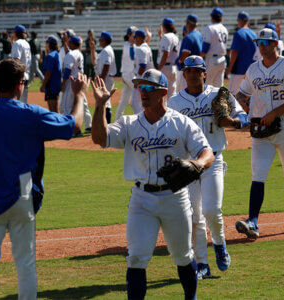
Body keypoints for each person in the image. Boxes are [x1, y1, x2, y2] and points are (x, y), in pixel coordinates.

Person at [0, 59, 87, 299]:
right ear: (20, 85)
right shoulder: (30, 113)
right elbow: (75, 125)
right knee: (25, 264)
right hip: (22, 195)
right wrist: (80, 96)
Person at [91, 69, 214, 300]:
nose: (142, 92)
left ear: (163, 92)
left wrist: (197, 165)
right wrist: (99, 106)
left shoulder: (181, 123)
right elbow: (100, 138)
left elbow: (207, 152)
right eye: (140, 87)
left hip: (175, 198)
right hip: (142, 200)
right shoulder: (129, 123)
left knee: (183, 256)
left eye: (148, 88)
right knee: (136, 257)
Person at [168, 55, 248, 279]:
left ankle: (220, 243)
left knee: (211, 210)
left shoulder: (218, 94)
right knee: (194, 216)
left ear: (205, 73)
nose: (192, 74)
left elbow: (244, 115)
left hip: (214, 159)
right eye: (188, 71)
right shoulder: (174, 103)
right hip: (190, 164)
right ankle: (202, 263)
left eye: (197, 71)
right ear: (184, 74)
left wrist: (233, 122)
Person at [234, 28, 284, 239]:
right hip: (261, 132)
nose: (262, 45)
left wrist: (274, 112)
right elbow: (242, 94)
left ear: (276, 43)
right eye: (259, 42)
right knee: (258, 175)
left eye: (265, 42)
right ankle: (253, 222)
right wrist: (246, 109)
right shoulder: (254, 69)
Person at [61, 35, 93, 133]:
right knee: (83, 104)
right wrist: (65, 42)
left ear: (73, 44)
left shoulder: (71, 54)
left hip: (72, 81)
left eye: (70, 42)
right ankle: (89, 126)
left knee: (66, 106)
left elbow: (67, 71)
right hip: (80, 81)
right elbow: (68, 53)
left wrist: (63, 84)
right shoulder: (79, 53)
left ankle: (74, 129)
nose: (68, 44)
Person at [226, 11, 257, 96]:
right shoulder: (254, 34)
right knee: (247, 95)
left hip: (239, 70)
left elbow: (235, 52)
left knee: (231, 95)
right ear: (248, 21)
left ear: (239, 20)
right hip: (251, 69)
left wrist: (229, 67)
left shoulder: (238, 33)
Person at [90, 31, 117, 123]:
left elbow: (106, 65)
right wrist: (92, 48)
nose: (99, 41)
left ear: (104, 40)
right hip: (105, 78)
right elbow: (94, 62)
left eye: (101, 39)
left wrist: (101, 80)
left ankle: (107, 124)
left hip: (105, 79)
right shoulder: (105, 50)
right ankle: (105, 123)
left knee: (105, 102)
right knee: (102, 102)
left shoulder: (106, 50)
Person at [200, 8, 228, 88]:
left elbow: (206, 46)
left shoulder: (210, 28)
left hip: (212, 59)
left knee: (205, 85)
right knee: (219, 87)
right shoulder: (224, 28)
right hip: (222, 59)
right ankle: (219, 101)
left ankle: (205, 101)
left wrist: (199, 57)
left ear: (212, 17)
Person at [115, 26, 137, 121]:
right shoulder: (128, 46)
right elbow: (132, 57)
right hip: (128, 75)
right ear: (129, 36)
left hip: (127, 74)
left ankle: (117, 120)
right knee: (137, 95)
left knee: (124, 100)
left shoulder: (131, 45)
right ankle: (139, 117)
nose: (135, 37)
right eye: (133, 35)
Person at [131, 29, 154, 114]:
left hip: (142, 78)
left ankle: (140, 122)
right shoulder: (147, 47)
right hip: (148, 78)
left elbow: (142, 67)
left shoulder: (141, 49)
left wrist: (138, 80)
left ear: (140, 38)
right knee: (143, 103)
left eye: (136, 37)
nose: (135, 39)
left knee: (135, 103)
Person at [177, 14, 202, 91]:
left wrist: (179, 61)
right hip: (198, 68)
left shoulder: (188, 37)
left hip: (188, 70)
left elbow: (184, 56)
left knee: (184, 93)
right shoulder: (200, 35)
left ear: (187, 23)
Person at [157, 18, 179, 99]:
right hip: (173, 67)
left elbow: (166, 53)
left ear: (163, 26)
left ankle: (164, 111)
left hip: (165, 67)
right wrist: (160, 36)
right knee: (172, 94)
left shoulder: (166, 37)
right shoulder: (175, 37)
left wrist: (159, 69)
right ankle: (173, 110)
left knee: (162, 93)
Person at [40, 35, 62, 113]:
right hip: (56, 84)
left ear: (49, 44)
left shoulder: (50, 56)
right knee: (55, 108)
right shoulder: (56, 54)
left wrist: (43, 85)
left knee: (53, 109)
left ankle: (58, 125)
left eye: (47, 42)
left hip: (51, 85)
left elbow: (48, 72)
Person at [11, 25, 31, 103]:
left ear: (15, 33)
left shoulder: (18, 43)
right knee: (23, 101)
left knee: (17, 101)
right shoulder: (26, 43)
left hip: (19, 75)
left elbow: (16, 59)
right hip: (26, 74)